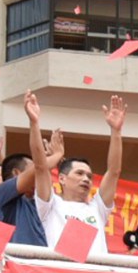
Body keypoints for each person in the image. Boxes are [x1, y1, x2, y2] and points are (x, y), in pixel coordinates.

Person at [26, 92, 125, 260]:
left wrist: (116, 131)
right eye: (79, 173)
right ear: (62, 179)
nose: (86, 179)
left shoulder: (98, 208)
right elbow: (41, 166)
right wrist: (34, 123)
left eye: (89, 176)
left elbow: (114, 171)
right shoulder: (50, 205)